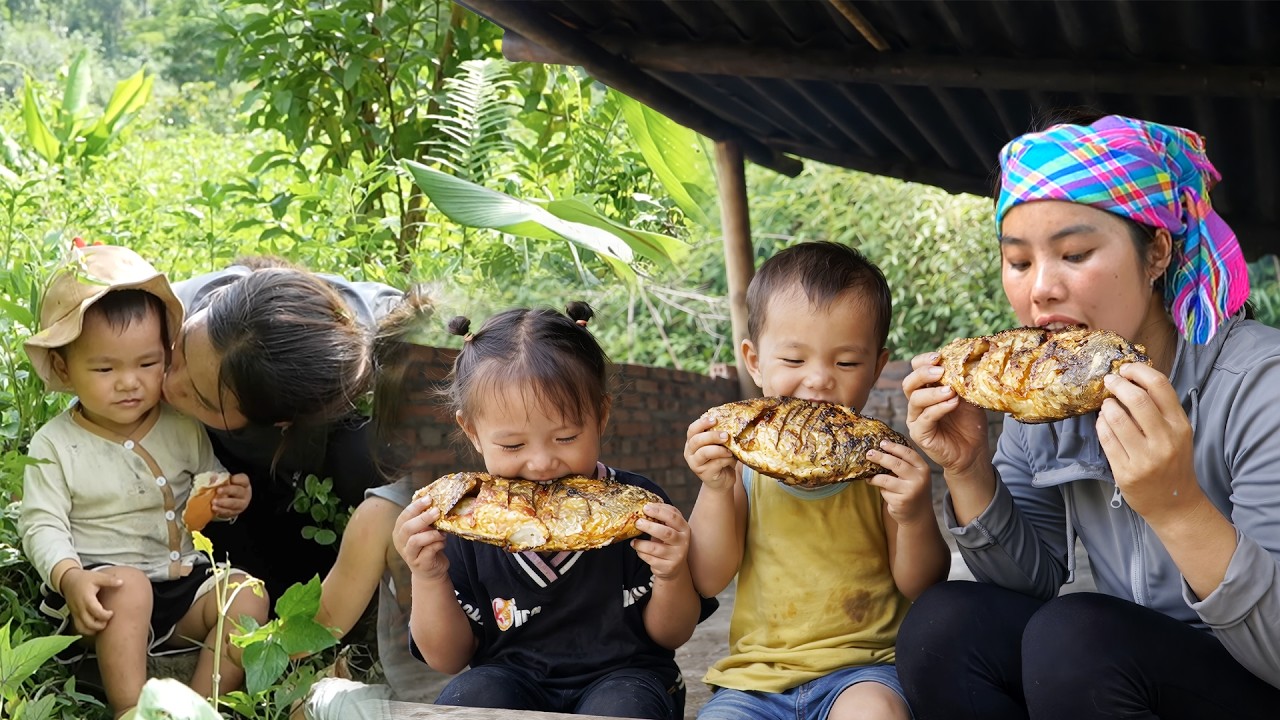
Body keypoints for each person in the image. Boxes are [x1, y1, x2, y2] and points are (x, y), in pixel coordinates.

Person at [898, 114, 1280, 719]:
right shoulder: (1044, 395)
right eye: (1018, 262)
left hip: (1252, 679)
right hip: (1125, 670)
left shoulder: (1263, 386)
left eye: (1074, 253)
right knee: (945, 624)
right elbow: (1031, 582)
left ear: (1156, 250)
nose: (1041, 290)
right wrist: (968, 469)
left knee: (1076, 637)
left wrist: (1177, 505)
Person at [392, 301, 717, 719]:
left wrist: (672, 573)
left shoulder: (640, 505)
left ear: (600, 416)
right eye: (512, 446)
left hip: (627, 677)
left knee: (621, 707)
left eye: (565, 437)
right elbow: (447, 659)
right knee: (468, 700)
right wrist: (427, 573)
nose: (542, 463)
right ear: (472, 432)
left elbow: (671, 634)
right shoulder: (463, 520)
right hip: (509, 678)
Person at [684, 241, 950, 720]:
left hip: (865, 671)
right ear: (754, 360)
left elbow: (923, 584)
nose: (820, 380)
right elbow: (708, 578)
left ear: (875, 367)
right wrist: (716, 487)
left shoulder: (886, 465)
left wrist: (912, 513)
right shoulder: (741, 466)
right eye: (793, 360)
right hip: (755, 680)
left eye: (846, 362)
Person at [18, 244, 270, 718]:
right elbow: (41, 524)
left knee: (247, 594)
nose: (129, 382)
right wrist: (71, 578)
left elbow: (206, 479)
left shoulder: (181, 424)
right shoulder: (55, 445)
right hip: (103, 595)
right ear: (63, 368)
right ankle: (132, 709)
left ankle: (201, 705)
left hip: (181, 587)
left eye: (147, 364)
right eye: (105, 368)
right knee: (130, 587)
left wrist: (229, 496)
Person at [163, 256, 404, 599]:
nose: (168, 385)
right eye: (182, 350)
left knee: (361, 457)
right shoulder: (171, 311)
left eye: (202, 399)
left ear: (282, 422)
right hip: (234, 468)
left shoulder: (396, 386)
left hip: (318, 476)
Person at [301, 296, 449, 720]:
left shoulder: (384, 517)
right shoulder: (547, 494)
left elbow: (320, 624)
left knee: (312, 702)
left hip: (422, 709)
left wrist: (245, 643)